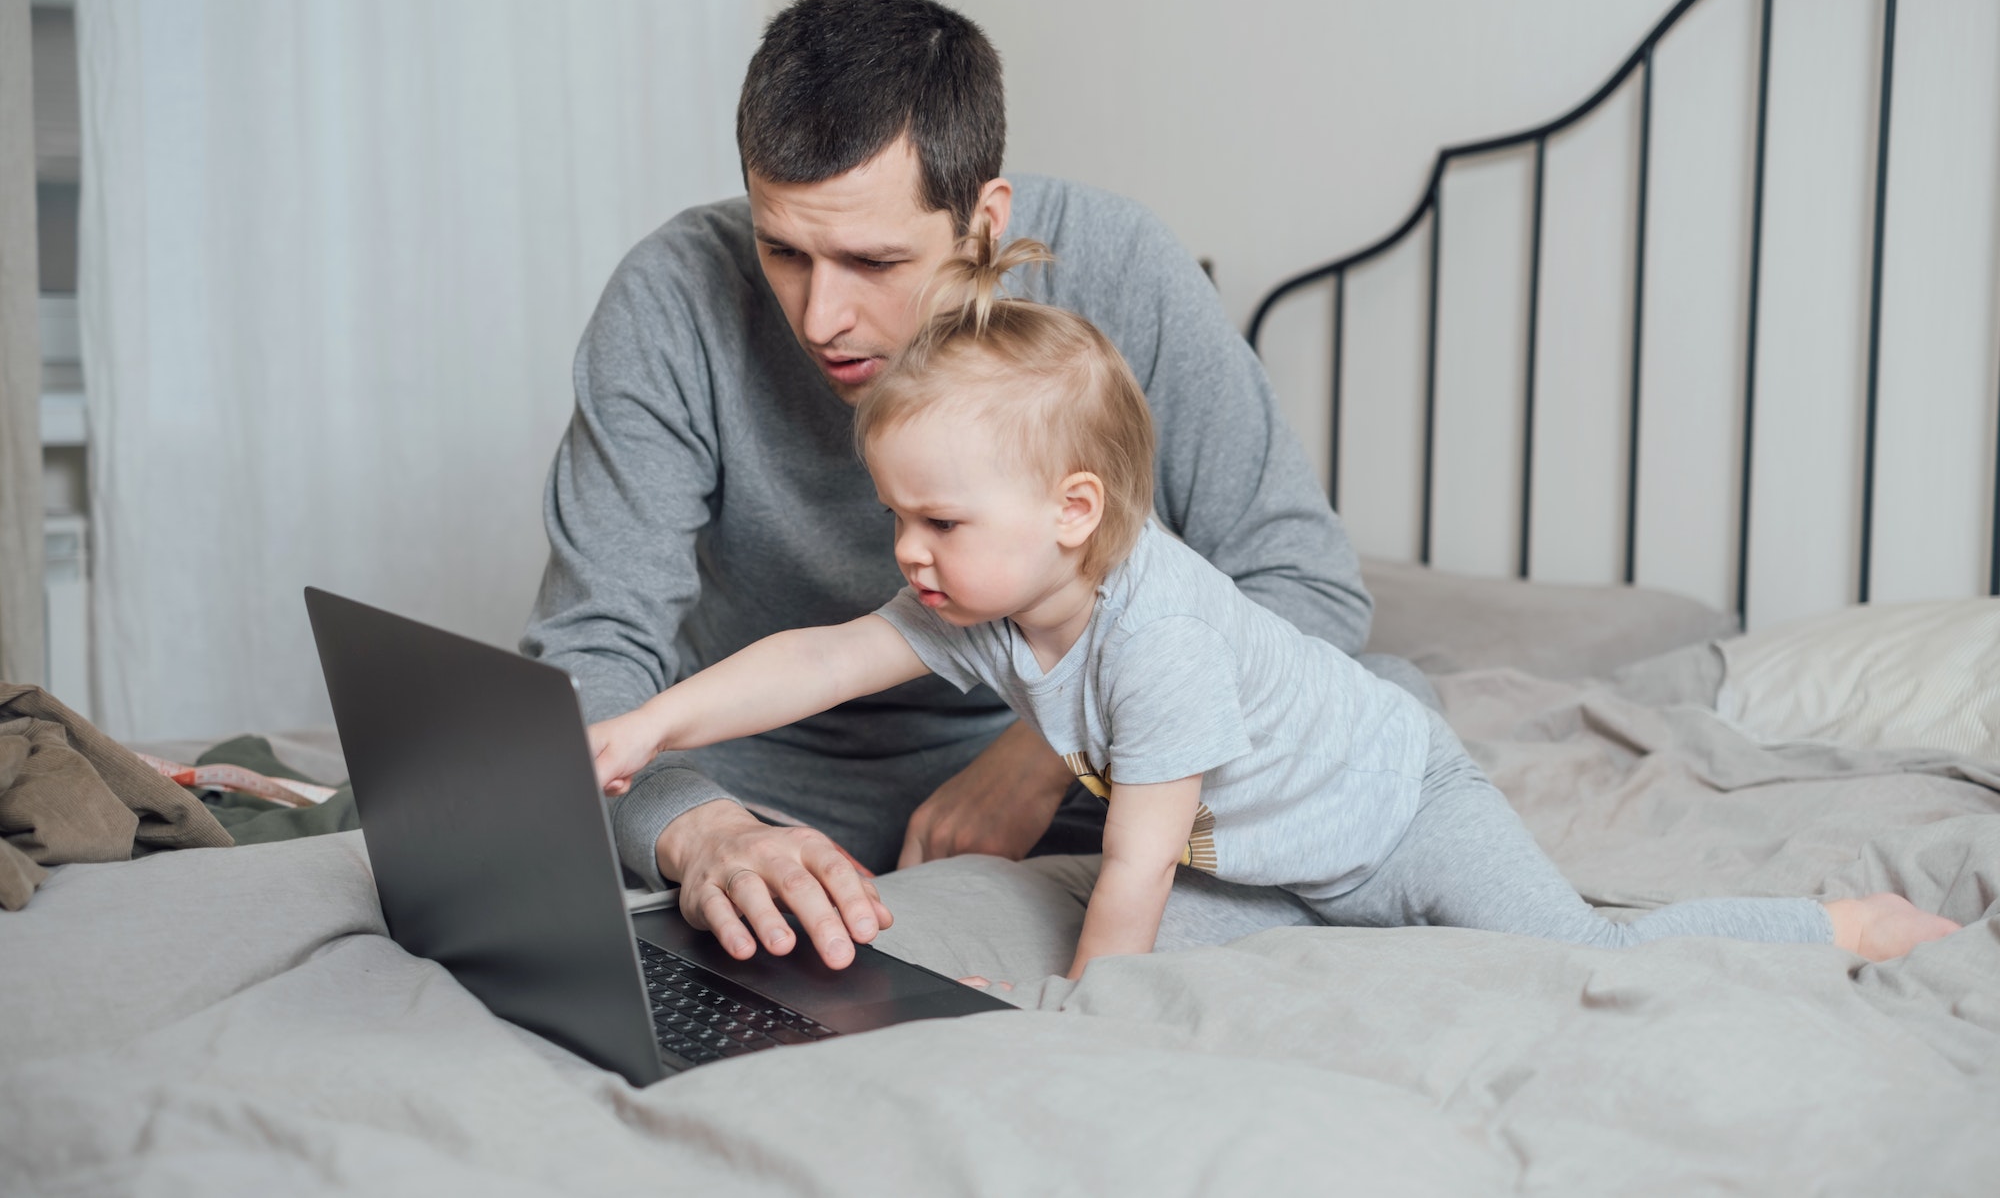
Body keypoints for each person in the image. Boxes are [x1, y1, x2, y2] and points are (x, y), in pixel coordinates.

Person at [588, 239, 1961, 976]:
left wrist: (1094, 1023)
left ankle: (1837, 928)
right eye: (898, 514)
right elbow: (824, 656)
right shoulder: (988, 593)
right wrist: (651, 725)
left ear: (1073, 511)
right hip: (1273, 862)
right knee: (1201, 951)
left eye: (937, 521)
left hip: (1407, 814)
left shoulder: (1159, 633)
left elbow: (1134, 865)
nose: (909, 552)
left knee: (1570, 954)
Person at [522, 0, 1428, 972]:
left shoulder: (1119, 266)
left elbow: (1300, 582)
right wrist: (703, 833)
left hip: (1091, 764)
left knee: (1384, 714)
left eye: (872, 262)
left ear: (985, 220)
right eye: (782, 248)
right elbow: (589, 654)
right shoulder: (671, 299)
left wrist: (1036, 759)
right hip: (768, 777)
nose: (820, 316)